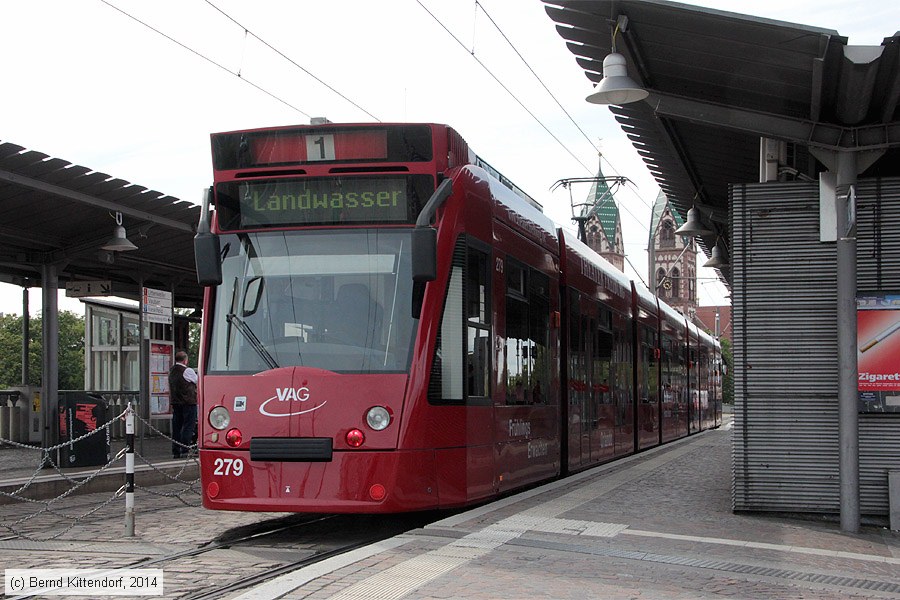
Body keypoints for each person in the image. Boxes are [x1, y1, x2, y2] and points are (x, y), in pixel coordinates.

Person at [168, 350, 198, 459]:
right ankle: (185, 449)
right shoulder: (187, 371)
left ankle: (176, 450)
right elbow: (197, 381)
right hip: (188, 402)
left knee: (177, 427)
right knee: (188, 426)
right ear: (185, 360)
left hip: (176, 402)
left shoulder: (172, 371)